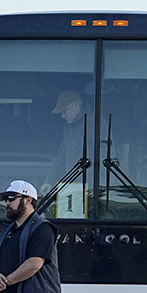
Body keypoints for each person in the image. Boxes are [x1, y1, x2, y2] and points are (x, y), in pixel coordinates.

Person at [43, 90, 91, 218]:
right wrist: (49, 181)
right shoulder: (69, 127)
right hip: (73, 187)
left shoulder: (95, 124)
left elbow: (103, 158)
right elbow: (61, 156)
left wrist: (96, 189)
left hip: (91, 191)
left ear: (77, 106)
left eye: (65, 111)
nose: (62, 116)